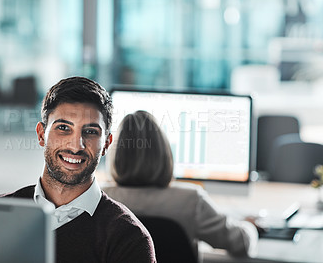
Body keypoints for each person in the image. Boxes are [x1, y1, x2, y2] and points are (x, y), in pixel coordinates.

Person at [0, 77, 156, 263]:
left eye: (90, 132)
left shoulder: (128, 238)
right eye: (63, 128)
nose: (76, 146)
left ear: (106, 144)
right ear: (41, 135)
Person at [103, 110, 259, 261]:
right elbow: (241, 243)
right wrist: (249, 227)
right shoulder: (190, 201)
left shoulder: (99, 199)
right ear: (164, 154)